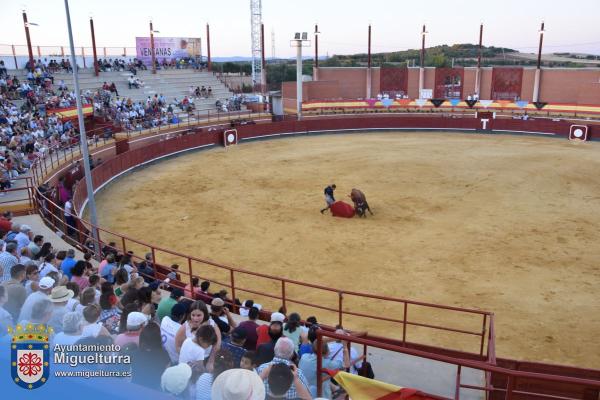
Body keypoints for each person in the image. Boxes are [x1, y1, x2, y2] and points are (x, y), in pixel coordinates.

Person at [131, 322, 171, 391]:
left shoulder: (134, 354)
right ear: (158, 338)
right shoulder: (164, 355)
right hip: (155, 391)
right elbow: (166, 375)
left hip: (135, 389)